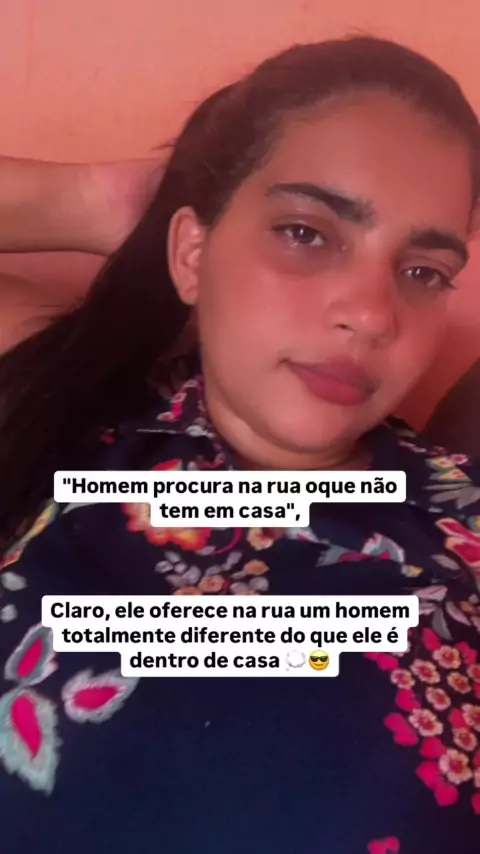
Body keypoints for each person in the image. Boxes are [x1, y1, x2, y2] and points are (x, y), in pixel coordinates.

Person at [0, 35, 479, 854]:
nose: (372, 314)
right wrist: (92, 203)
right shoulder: (67, 397)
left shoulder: (458, 530)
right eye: (306, 232)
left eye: (423, 271)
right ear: (192, 251)